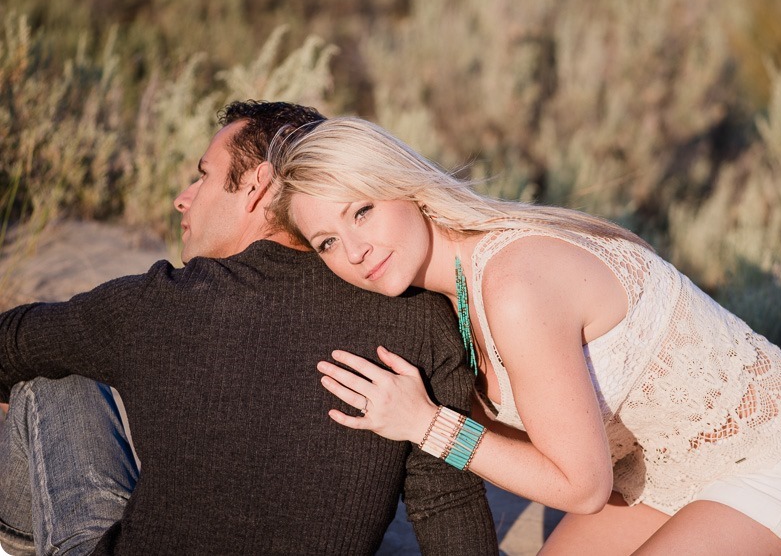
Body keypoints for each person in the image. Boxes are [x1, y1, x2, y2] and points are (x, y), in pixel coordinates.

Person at [266, 116, 781, 556]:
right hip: (659, 476)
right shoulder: (446, 295)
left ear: (404, 184)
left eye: (361, 210)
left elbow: (581, 487)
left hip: (772, 458)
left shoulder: (515, 282)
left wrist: (426, 425)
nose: (354, 250)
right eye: (326, 243)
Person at [0, 101, 499, 555]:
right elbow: (446, 503)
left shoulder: (156, 305)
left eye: (204, 177)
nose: (183, 198)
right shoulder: (421, 317)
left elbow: (11, 342)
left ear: (257, 185)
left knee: (51, 379)